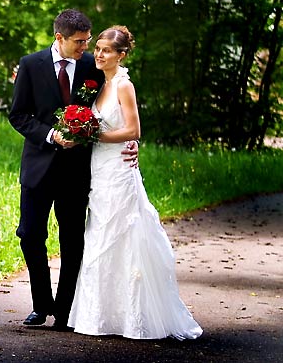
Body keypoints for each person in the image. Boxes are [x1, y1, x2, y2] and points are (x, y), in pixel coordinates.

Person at [67, 26, 202, 339]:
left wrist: (93, 134)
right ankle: (101, 316)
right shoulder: (100, 83)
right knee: (100, 235)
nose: (99, 54)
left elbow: (133, 131)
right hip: (99, 168)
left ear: (121, 55)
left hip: (119, 169)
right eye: (97, 48)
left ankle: (132, 317)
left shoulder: (124, 86)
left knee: (121, 234)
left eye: (106, 50)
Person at [9, 9, 138, 331]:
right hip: (38, 166)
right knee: (30, 234)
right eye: (79, 42)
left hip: (77, 170)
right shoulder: (30, 65)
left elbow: (116, 111)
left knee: (73, 239)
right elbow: (19, 115)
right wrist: (51, 135)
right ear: (59, 38)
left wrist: (130, 143)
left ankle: (66, 310)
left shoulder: (91, 67)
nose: (86, 48)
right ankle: (41, 304)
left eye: (88, 41)